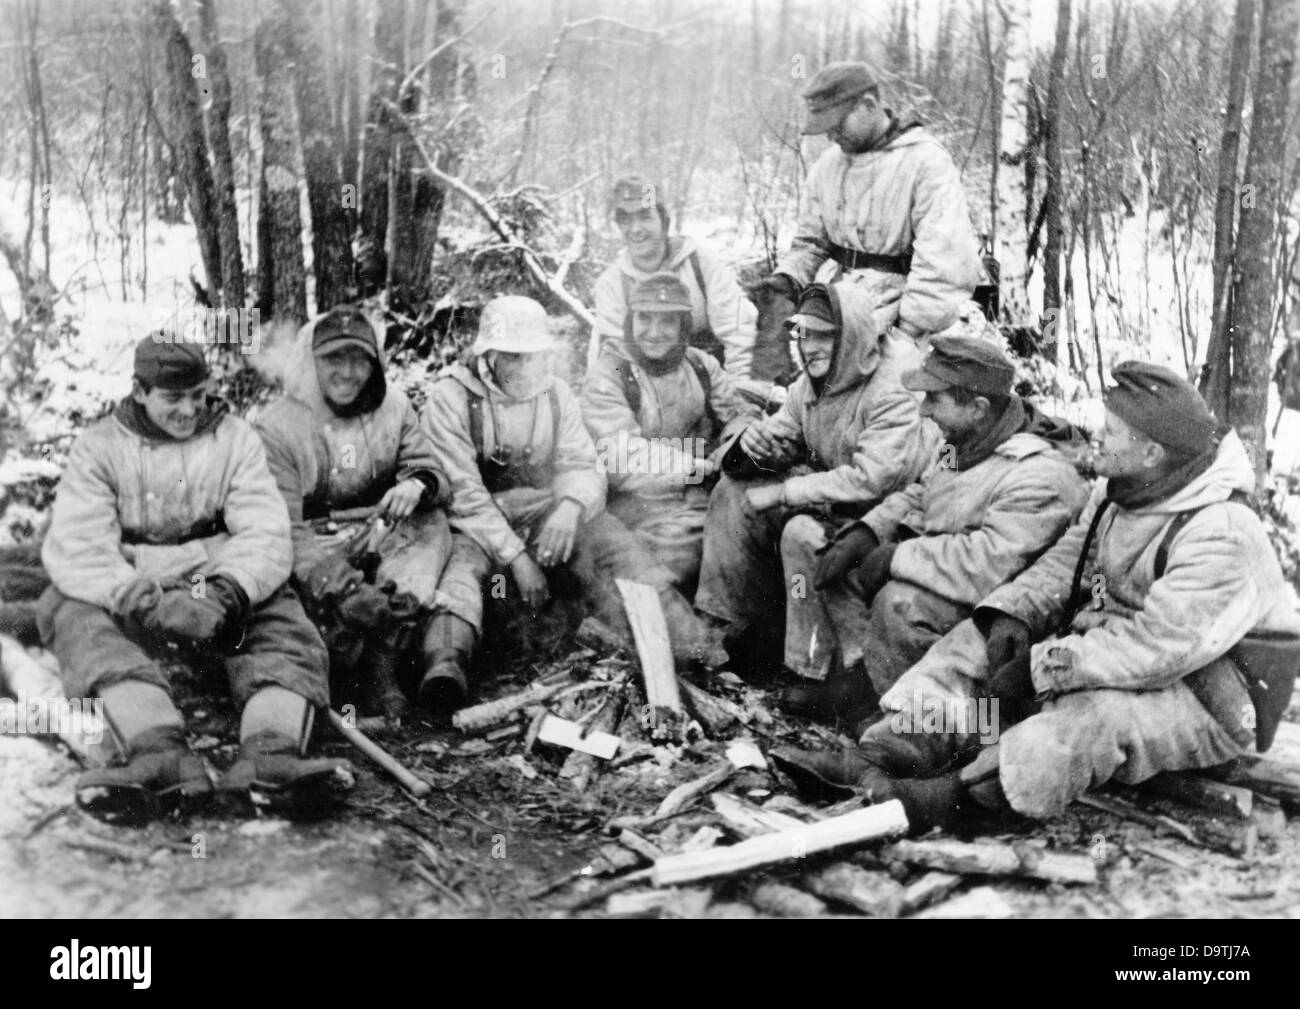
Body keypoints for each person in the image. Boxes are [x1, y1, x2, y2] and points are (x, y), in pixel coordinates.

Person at [773, 362, 1300, 835]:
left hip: (1211, 699)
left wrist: (1043, 666)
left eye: (1112, 432)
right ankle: (892, 750)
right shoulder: (1123, 489)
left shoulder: (1223, 531)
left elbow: (1156, 649)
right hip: (1118, 652)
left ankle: (964, 799)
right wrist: (1013, 617)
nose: (1097, 436)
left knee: (1096, 718)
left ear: (1151, 452)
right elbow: (1066, 564)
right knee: (974, 642)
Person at [37, 337, 352, 825]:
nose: (189, 410)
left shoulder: (235, 439)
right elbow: (80, 545)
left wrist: (227, 591)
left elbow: (266, 529)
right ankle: (159, 754)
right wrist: (142, 601)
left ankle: (271, 754)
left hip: (216, 575)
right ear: (140, 391)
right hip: (138, 584)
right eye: (172, 398)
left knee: (280, 612)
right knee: (69, 608)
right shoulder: (98, 446)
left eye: (198, 396)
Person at [420, 295, 719, 711]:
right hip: (476, 523)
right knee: (463, 570)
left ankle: (692, 644)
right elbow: (463, 492)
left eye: (533, 357)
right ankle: (446, 666)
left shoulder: (557, 394)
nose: (524, 369)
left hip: (543, 508)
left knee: (612, 541)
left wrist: (570, 507)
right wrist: (517, 559)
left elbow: (583, 462)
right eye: (511, 357)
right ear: (488, 356)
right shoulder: (449, 399)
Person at [780, 336, 1089, 730]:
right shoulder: (962, 443)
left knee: (899, 602)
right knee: (812, 543)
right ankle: (850, 677)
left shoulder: (1038, 472)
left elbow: (989, 563)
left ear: (977, 409)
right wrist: (869, 532)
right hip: (939, 573)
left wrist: (898, 558)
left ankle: (900, 716)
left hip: (988, 608)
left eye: (934, 399)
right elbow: (922, 491)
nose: (923, 411)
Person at [694, 281, 937, 674]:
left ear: (853, 335)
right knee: (733, 492)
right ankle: (724, 627)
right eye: (804, 334)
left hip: (887, 519)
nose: (810, 347)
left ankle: (816, 668)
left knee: (802, 533)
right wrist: (749, 448)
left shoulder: (895, 385)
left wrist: (785, 491)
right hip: (832, 500)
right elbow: (782, 429)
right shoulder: (812, 381)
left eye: (825, 335)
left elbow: (872, 479)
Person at [255, 304, 452, 721]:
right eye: (334, 359)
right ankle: (344, 671)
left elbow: (433, 471)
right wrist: (341, 586)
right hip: (313, 540)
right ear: (311, 362)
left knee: (430, 524)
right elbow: (283, 529)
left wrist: (415, 484)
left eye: (360, 359)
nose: (348, 372)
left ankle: (386, 664)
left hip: (375, 527)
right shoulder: (276, 426)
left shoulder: (394, 407)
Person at [752, 61, 983, 344]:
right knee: (776, 342)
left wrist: (907, 336)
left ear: (869, 104)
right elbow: (810, 243)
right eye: (825, 128)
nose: (830, 136)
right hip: (825, 307)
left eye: (837, 124)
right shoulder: (827, 167)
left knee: (873, 384)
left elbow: (944, 265)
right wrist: (787, 279)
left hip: (891, 318)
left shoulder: (925, 163)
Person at [580, 273, 759, 593]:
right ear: (629, 321)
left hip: (701, 495)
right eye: (644, 319)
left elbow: (739, 412)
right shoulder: (610, 374)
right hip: (637, 505)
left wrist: (733, 445)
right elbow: (622, 459)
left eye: (667, 322)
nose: (653, 332)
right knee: (669, 564)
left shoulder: (701, 365)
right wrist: (697, 470)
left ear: (683, 326)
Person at [593, 174, 785, 385]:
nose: (635, 229)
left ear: (664, 221)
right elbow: (616, 359)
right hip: (652, 384)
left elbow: (737, 328)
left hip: (715, 373)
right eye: (626, 220)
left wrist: (738, 392)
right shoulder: (611, 285)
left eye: (645, 217)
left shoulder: (699, 263)